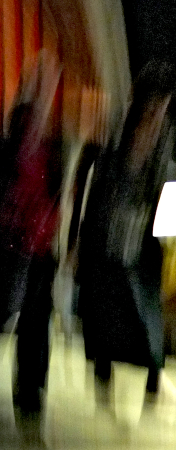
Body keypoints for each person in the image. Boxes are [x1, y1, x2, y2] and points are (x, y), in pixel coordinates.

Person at [0, 58, 64, 417]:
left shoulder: (53, 148)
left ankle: (30, 392)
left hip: (39, 251)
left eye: (52, 87)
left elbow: (55, 195)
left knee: (37, 325)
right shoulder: (10, 136)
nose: (49, 95)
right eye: (43, 86)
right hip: (11, 246)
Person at [78, 62, 175, 407]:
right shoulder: (122, 130)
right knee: (107, 312)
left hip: (143, 242)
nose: (159, 112)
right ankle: (103, 377)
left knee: (146, 315)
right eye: (156, 103)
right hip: (109, 236)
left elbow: (165, 184)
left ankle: (151, 380)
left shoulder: (165, 136)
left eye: (164, 105)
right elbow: (104, 181)